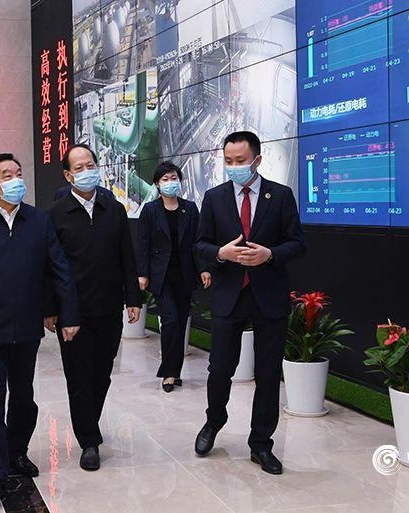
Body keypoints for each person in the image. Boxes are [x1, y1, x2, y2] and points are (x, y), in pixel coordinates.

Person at [0, 153, 80, 502]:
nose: (16, 180)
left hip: (26, 329)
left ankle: (16, 451)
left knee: (23, 397)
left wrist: (68, 315)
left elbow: (59, 270)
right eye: (7, 175)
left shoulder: (38, 220)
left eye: (18, 173)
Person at [193, 131, 305, 475]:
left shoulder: (280, 196)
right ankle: (214, 421)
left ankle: (261, 444)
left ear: (257, 160)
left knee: (267, 374)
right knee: (219, 369)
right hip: (229, 295)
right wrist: (221, 254)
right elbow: (201, 245)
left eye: (240, 161)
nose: (234, 166)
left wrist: (270, 255)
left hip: (268, 296)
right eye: (228, 161)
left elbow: (297, 244)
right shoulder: (214, 197)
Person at [45, 143, 140, 472]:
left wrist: (133, 298)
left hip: (109, 306)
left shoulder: (113, 208)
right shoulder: (55, 214)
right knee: (79, 376)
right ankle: (88, 440)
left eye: (91, 165)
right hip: (73, 311)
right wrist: (51, 309)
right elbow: (48, 267)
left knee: (102, 373)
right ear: (68, 175)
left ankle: (90, 422)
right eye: (79, 168)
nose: (87, 172)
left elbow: (127, 256)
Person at [137, 161, 210, 392]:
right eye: (165, 179)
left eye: (174, 178)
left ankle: (174, 371)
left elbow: (198, 242)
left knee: (180, 322)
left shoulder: (190, 208)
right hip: (161, 275)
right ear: (157, 184)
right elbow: (143, 244)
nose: (170, 183)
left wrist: (203, 268)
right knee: (169, 320)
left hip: (184, 273)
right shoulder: (150, 210)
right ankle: (168, 373)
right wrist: (142, 273)